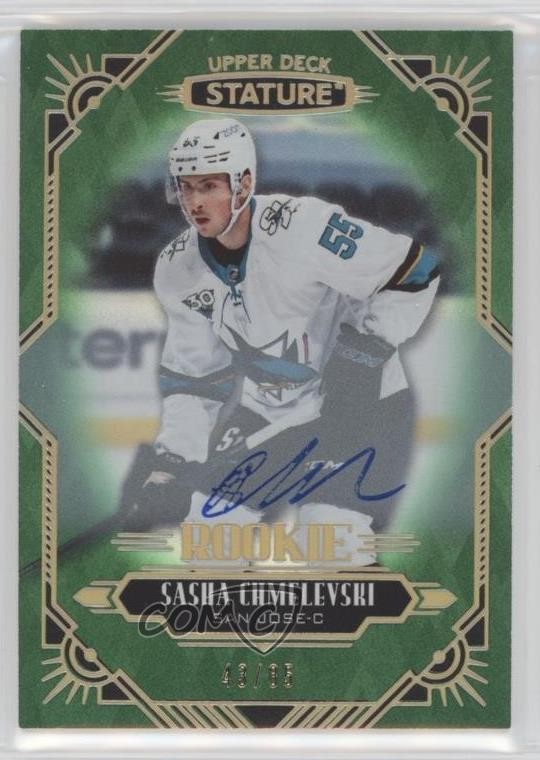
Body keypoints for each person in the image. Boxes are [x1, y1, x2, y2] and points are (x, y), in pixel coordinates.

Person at [120, 117, 439, 563]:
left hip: (360, 411)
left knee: (330, 542)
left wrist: (366, 349)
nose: (195, 202)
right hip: (269, 416)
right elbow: (195, 377)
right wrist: (173, 463)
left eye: (209, 185)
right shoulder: (178, 268)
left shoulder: (303, 228)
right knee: (209, 544)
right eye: (186, 188)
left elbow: (415, 271)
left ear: (244, 183)